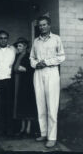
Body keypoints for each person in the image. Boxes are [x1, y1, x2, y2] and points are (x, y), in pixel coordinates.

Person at [30, 16, 65, 148]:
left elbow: (62, 56)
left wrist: (47, 62)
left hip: (51, 72)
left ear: (49, 25)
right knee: (40, 105)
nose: (42, 27)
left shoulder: (56, 38)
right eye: (40, 25)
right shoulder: (36, 41)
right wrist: (35, 64)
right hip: (38, 73)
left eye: (44, 25)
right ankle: (44, 133)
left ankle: (52, 137)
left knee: (52, 106)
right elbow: (31, 58)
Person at [0, 30, 16, 137]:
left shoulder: (13, 50)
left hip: (9, 80)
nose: (3, 40)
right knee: (0, 106)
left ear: (8, 39)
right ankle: (2, 130)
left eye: (5, 38)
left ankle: (10, 129)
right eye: (1, 38)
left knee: (9, 105)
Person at [13, 37, 37, 137]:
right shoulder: (18, 56)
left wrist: (26, 70)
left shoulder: (28, 56)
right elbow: (15, 68)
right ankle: (22, 128)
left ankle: (28, 129)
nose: (18, 47)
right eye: (17, 46)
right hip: (19, 84)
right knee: (21, 106)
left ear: (25, 46)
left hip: (27, 85)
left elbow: (32, 70)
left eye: (20, 46)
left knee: (27, 106)